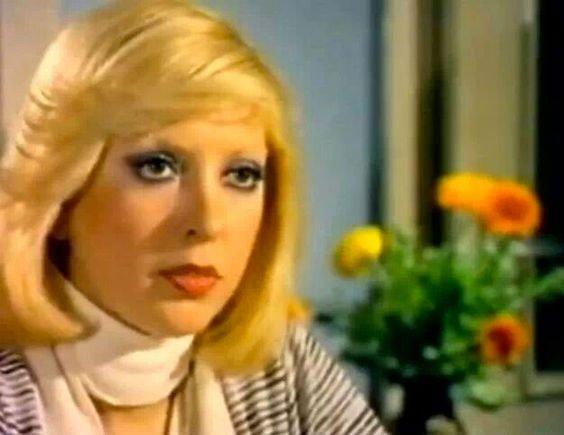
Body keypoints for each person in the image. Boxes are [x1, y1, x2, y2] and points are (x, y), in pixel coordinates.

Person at [0, 1, 387, 434]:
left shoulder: (283, 371)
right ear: (59, 199)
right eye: (157, 167)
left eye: (241, 175)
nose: (208, 222)